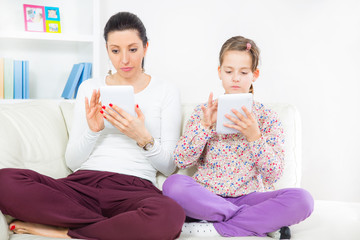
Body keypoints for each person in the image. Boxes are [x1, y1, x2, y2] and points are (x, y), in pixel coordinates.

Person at [0, 12, 185, 240]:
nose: (124, 60)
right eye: (115, 50)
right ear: (107, 49)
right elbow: (73, 161)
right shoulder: (90, 87)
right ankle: (112, 229)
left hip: (134, 189)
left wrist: (142, 138)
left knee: (171, 215)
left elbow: (168, 167)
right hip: (83, 186)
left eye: (133, 49)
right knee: (4, 181)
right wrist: (92, 131)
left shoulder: (166, 91)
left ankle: (66, 231)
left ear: (146, 48)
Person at [162, 36, 314, 239]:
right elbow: (181, 160)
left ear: (254, 75)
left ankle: (214, 227)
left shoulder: (267, 117)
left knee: (303, 200)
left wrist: (254, 136)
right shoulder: (203, 112)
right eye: (228, 71)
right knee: (173, 185)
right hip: (208, 197)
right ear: (219, 72)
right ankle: (260, 223)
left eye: (243, 72)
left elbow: (274, 175)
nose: (235, 78)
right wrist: (205, 127)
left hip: (251, 197)